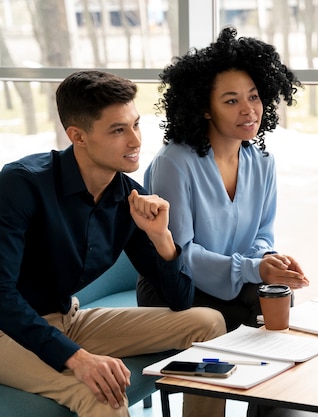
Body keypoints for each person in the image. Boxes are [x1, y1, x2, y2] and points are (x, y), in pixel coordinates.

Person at [0, 70, 227, 417]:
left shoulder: (126, 197)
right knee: (101, 394)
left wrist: (161, 237)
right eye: (118, 130)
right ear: (77, 135)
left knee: (208, 322)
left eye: (136, 125)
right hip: (6, 333)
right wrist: (77, 358)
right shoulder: (22, 185)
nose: (135, 141)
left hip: (67, 319)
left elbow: (180, 300)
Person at [137, 26, 309, 332]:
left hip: (233, 279)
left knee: (276, 297)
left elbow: (262, 235)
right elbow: (181, 253)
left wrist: (270, 264)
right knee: (250, 314)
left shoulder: (262, 163)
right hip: (176, 286)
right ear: (204, 109)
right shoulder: (173, 163)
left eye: (254, 97)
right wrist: (252, 269)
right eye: (231, 101)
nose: (248, 110)